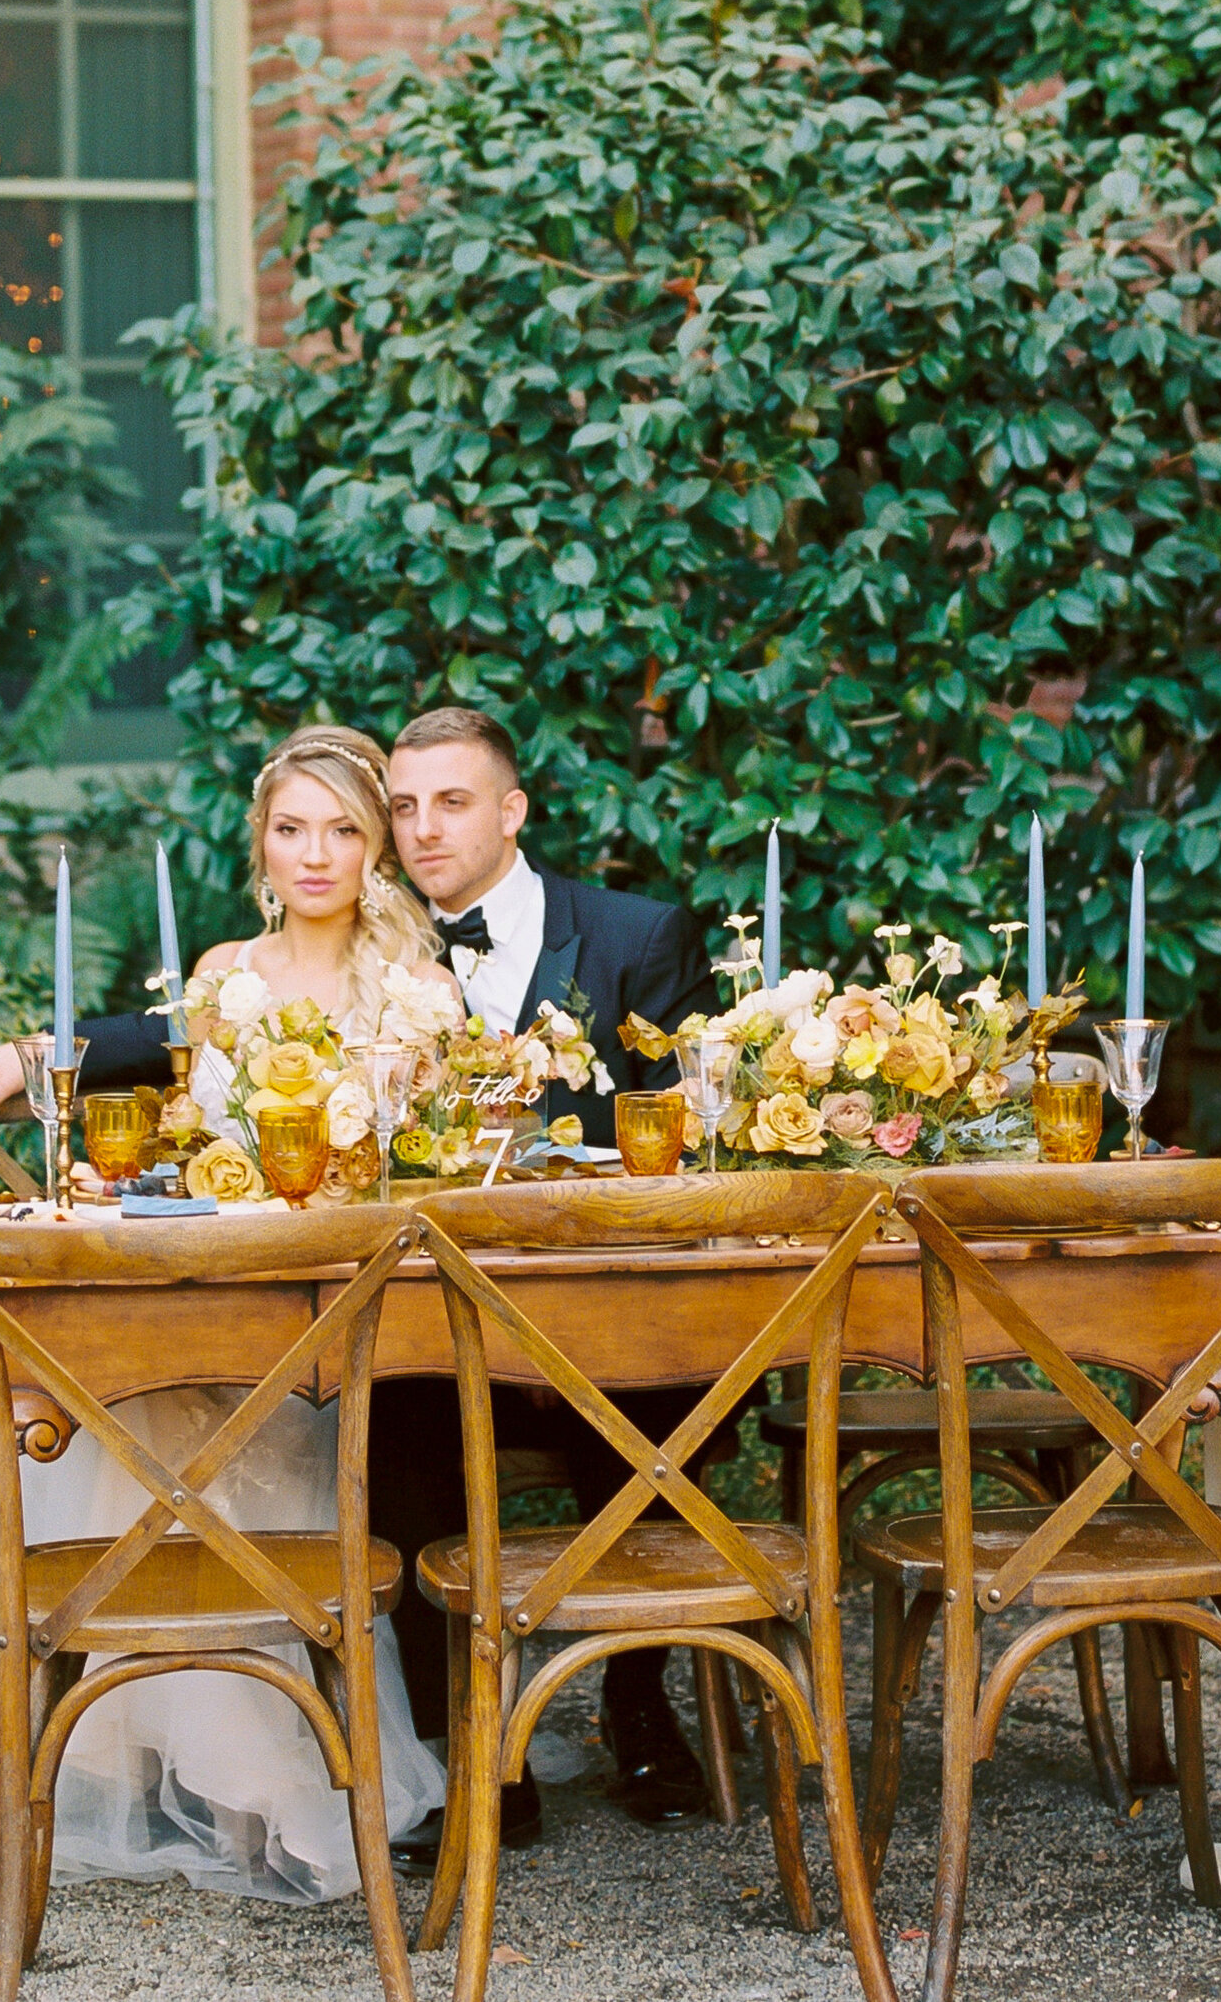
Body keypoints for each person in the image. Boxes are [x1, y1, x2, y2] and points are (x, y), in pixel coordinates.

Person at [0, 725, 451, 1902]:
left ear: (376, 849)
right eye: (291, 826)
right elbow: (173, 1107)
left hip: (353, 1317)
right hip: (232, 1296)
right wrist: (38, 1052)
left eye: (345, 828)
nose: (317, 853)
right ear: (261, 843)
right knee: (160, 1423)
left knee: (241, 1450)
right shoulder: (222, 974)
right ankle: (233, 1771)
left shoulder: (417, 991)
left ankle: (273, 1766)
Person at [370, 702, 716, 1862]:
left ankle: (639, 1696)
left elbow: (689, 1135)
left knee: (678, 1386)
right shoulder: (373, 949)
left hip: (608, 1307)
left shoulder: (635, 934)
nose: (423, 830)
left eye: (451, 801)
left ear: (512, 811)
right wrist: (39, 1057)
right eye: (404, 807)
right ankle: (464, 1746)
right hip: (429, 1314)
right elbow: (233, 1004)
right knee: (387, 1404)